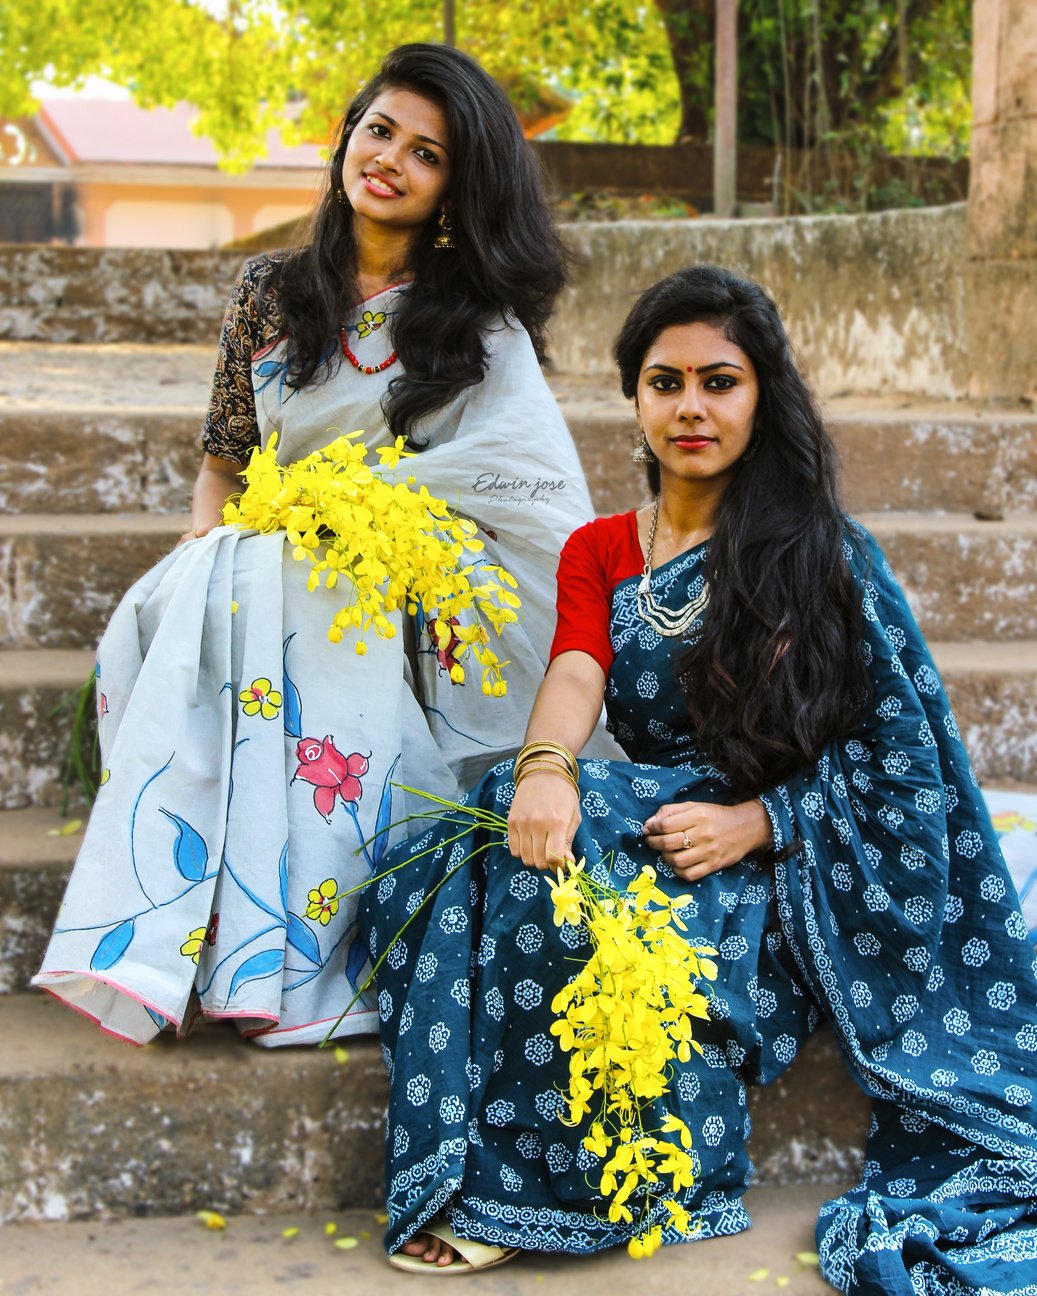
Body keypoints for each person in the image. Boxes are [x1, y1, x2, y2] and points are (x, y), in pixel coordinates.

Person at [358, 265, 1037, 1289]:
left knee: (552, 858)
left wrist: (763, 819)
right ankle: (468, 1168)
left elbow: (904, 769)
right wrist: (546, 767)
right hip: (666, 819)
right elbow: (577, 668)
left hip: (793, 871)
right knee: (467, 838)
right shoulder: (598, 549)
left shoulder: (821, 555)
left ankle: (574, 1191)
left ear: (759, 395)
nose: (689, 408)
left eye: (717, 381)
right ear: (632, 397)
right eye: (663, 381)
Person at [33, 43, 607, 1047]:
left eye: (425, 153)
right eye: (378, 130)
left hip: (406, 584)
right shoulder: (270, 291)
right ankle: (214, 935)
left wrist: (354, 527)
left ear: (451, 191)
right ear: (347, 138)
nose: (387, 158)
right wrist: (216, 548)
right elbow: (225, 460)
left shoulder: (477, 327)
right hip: (268, 553)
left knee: (283, 584)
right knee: (196, 593)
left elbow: (523, 491)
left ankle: (298, 949)